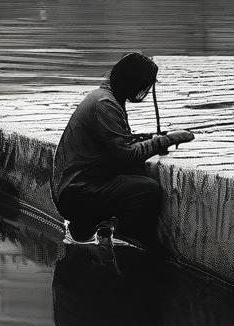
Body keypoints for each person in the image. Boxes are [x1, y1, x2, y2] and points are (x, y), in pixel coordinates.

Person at [51, 51, 194, 245]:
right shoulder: (105, 104)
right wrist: (167, 140)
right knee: (146, 189)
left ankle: (91, 229)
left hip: (73, 186)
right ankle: (125, 241)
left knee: (135, 176)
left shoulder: (104, 97)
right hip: (76, 192)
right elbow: (127, 154)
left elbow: (117, 142)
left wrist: (147, 139)